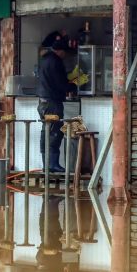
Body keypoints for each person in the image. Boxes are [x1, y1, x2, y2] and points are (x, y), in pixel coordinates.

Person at [37, 33, 75, 172]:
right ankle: (52, 164)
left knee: (46, 132)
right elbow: (60, 83)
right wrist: (72, 86)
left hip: (43, 102)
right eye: (64, 52)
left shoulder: (45, 59)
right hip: (52, 103)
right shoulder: (56, 62)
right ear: (60, 51)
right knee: (54, 132)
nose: (65, 55)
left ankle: (47, 165)